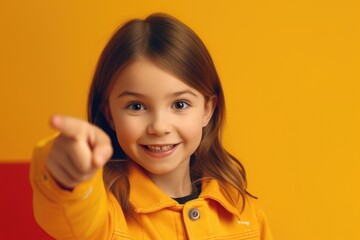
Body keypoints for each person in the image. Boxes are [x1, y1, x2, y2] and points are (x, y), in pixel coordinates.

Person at [30, 13, 272, 240]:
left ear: (207, 110)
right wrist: (67, 172)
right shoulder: (103, 216)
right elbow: (67, 210)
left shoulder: (243, 212)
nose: (159, 127)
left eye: (179, 104)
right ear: (110, 114)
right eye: (136, 106)